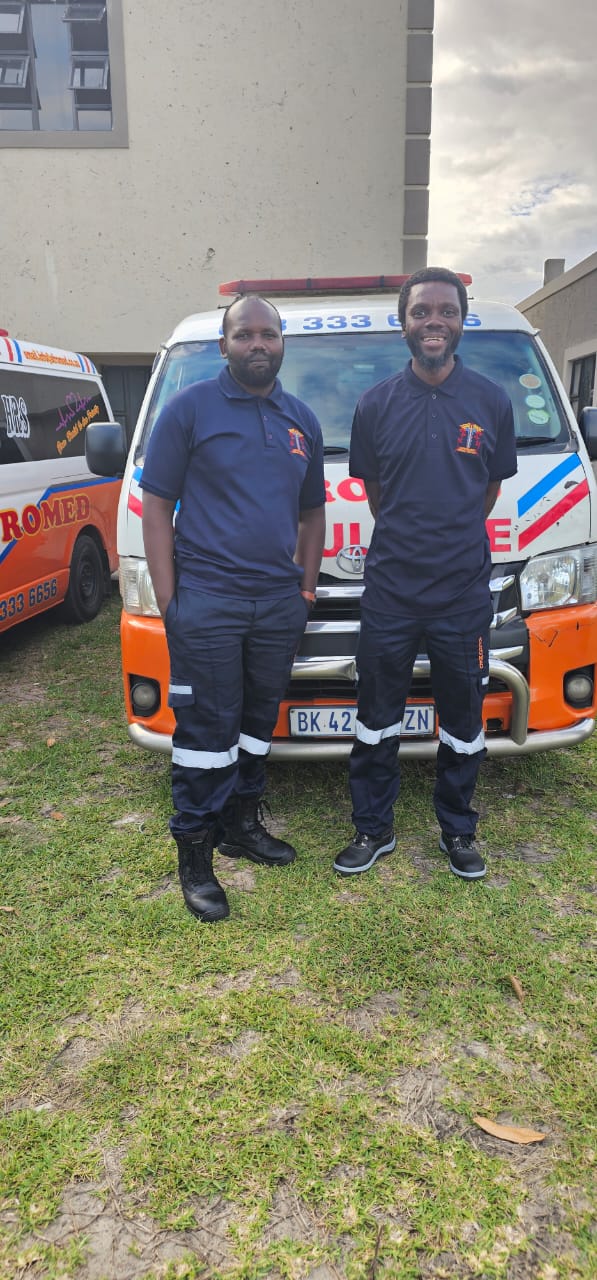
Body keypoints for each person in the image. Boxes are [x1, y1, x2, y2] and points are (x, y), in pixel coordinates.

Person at [141, 295, 326, 922]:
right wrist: (171, 602)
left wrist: (303, 592)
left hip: (277, 604)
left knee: (255, 721)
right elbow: (157, 506)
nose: (257, 344)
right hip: (208, 601)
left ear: (281, 344)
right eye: (243, 334)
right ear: (224, 345)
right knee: (204, 734)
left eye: (268, 334)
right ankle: (195, 859)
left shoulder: (301, 419)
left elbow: (311, 512)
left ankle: (242, 826)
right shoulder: (189, 410)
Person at [334, 267, 517, 881]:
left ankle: (458, 831)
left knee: (463, 720)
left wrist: (451, 531)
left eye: (445, 311)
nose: (433, 322)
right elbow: (378, 493)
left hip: (462, 592)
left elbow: (488, 488)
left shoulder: (492, 400)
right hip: (390, 591)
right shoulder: (375, 404)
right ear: (403, 322)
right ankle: (372, 829)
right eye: (421, 312)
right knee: (376, 714)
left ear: (462, 320)